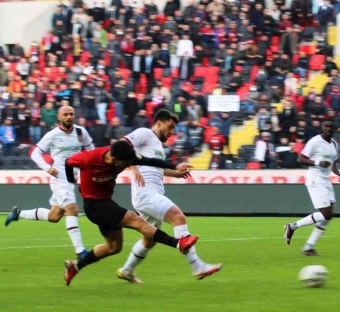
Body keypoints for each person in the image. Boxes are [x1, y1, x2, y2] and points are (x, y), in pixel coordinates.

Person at [62, 141, 197, 286]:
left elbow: (149, 161)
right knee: (137, 221)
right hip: (95, 205)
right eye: (125, 163)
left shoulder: (126, 156)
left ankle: (76, 266)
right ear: (114, 159)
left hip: (105, 202)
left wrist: (175, 166)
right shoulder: (89, 158)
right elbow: (68, 162)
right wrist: (72, 182)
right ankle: (178, 243)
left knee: (114, 247)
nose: (128, 165)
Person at [117, 110, 221, 284]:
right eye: (170, 127)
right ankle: (197, 266)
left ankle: (127, 270)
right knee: (178, 217)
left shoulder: (156, 145)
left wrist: (176, 174)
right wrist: (132, 167)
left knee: (149, 239)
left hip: (151, 194)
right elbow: (121, 145)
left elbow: (156, 168)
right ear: (159, 123)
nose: (172, 132)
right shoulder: (144, 133)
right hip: (146, 194)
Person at [5, 106, 93, 260]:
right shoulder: (53, 135)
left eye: (71, 114)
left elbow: (91, 150)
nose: (69, 117)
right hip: (59, 178)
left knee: (54, 216)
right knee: (72, 209)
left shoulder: (81, 132)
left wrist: (89, 167)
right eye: (65, 114)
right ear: (59, 117)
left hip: (72, 178)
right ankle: (80, 252)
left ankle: (18, 213)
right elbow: (35, 152)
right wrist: (47, 168)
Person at [283, 120, 340, 256]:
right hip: (315, 179)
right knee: (326, 214)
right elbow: (300, 159)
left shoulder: (334, 143)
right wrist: (317, 162)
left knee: (328, 217)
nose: (328, 128)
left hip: (326, 180)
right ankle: (292, 226)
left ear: (334, 128)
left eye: (330, 126)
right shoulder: (315, 141)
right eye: (326, 126)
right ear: (322, 128)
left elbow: (332, 162)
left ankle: (308, 247)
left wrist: (338, 173)